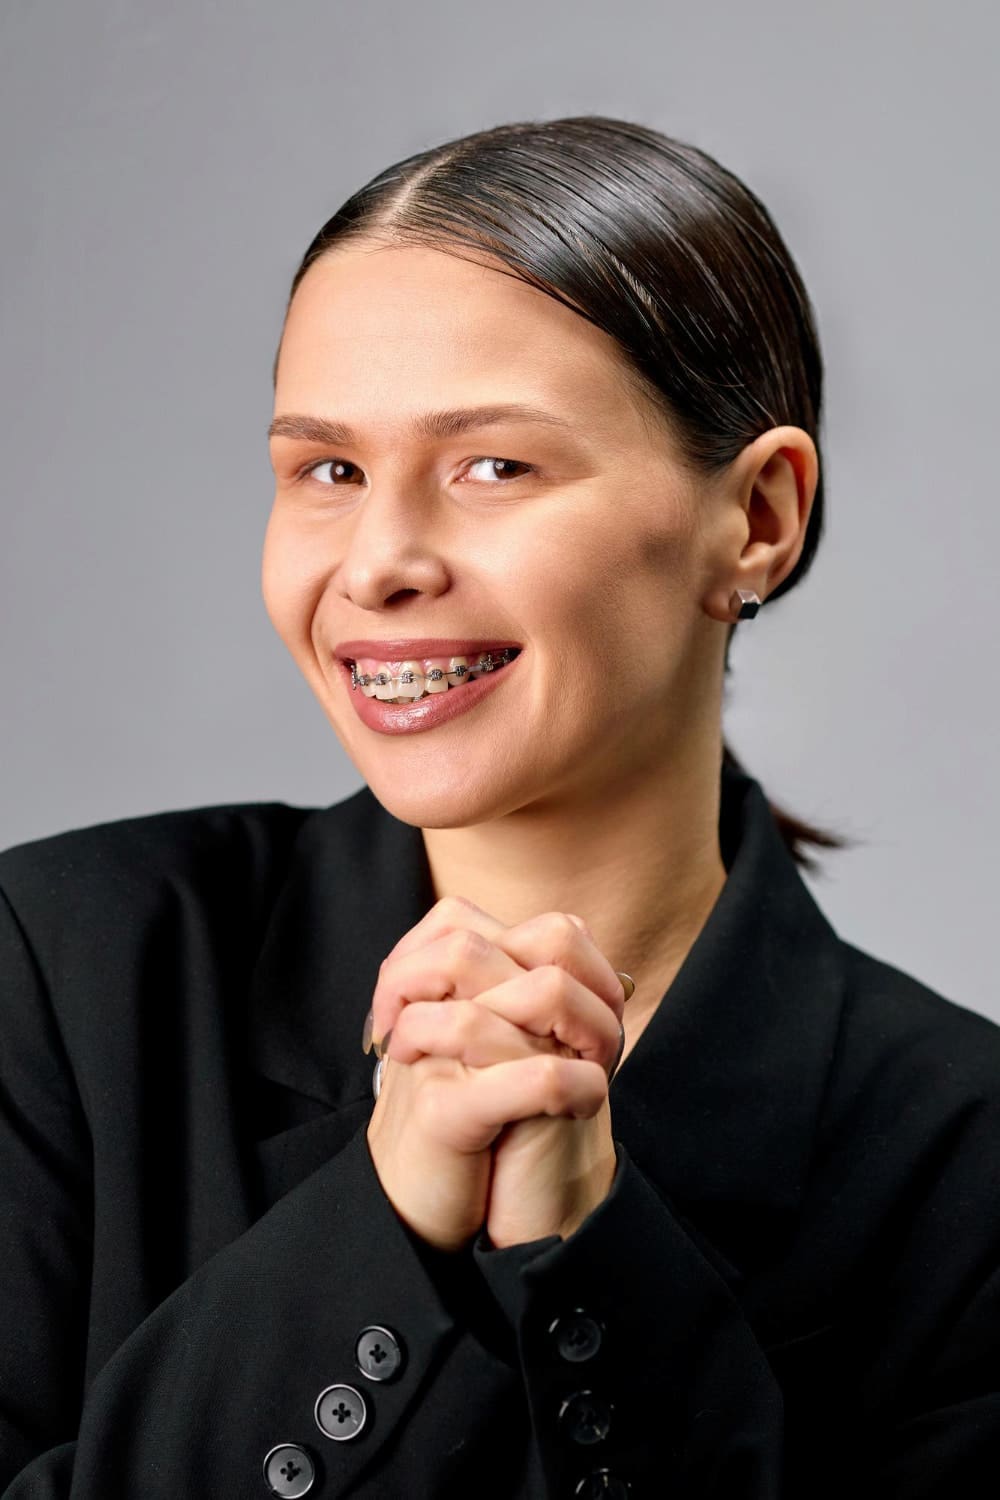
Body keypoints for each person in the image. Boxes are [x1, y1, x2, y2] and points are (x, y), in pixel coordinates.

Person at [1, 114, 997, 1500]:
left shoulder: (966, 1159)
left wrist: (591, 1260)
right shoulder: (57, 969)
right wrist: (382, 1229)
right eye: (329, 471)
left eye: (494, 466)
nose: (382, 562)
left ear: (757, 517)